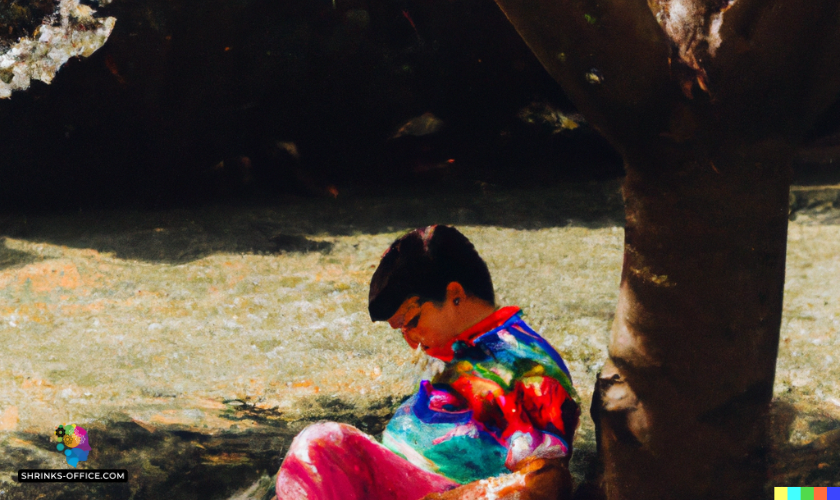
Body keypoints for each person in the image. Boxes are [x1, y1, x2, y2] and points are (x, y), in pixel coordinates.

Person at [276, 225, 579, 500]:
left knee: (319, 446)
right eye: (401, 329)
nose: (411, 341)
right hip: (399, 484)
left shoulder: (521, 364)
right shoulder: (466, 347)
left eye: (412, 320)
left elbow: (545, 482)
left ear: (455, 295)